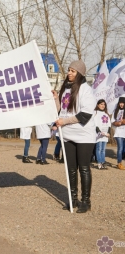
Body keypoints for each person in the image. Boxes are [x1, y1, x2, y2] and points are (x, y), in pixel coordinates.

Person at [53, 60, 96, 214]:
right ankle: (73, 199)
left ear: (80, 73)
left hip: (84, 135)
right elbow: (61, 112)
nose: (69, 73)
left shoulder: (86, 90)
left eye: (73, 71)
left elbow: (85, 114)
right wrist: (56, 98)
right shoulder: (66, 89)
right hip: (67, 134)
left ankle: (86, 201)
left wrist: (64, 121)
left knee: (83, 168)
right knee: (71, 169)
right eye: (69, 70)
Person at [93, 99, 111, 170]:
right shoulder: (95, 113)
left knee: (103, 149)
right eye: (101, 104)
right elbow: (95, 124)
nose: (103, 106)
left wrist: (108, 132)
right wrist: (99, 132)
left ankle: (103, 162)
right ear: (98, 105)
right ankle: (99, 162)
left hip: (105, 135)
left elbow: (109, 124)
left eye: (104, 104)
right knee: (99, 148)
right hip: (99, 135)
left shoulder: (106, 114)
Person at [111, 97, 125, 169]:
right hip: (118, 133)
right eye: (120, 103)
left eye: (123, 103)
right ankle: (119, 163)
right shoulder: (115, 111)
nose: (122, 104)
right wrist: (118, 123)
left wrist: (122, 122)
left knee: (123, 149)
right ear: (118, 103)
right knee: (120, 148)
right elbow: (112, 121)